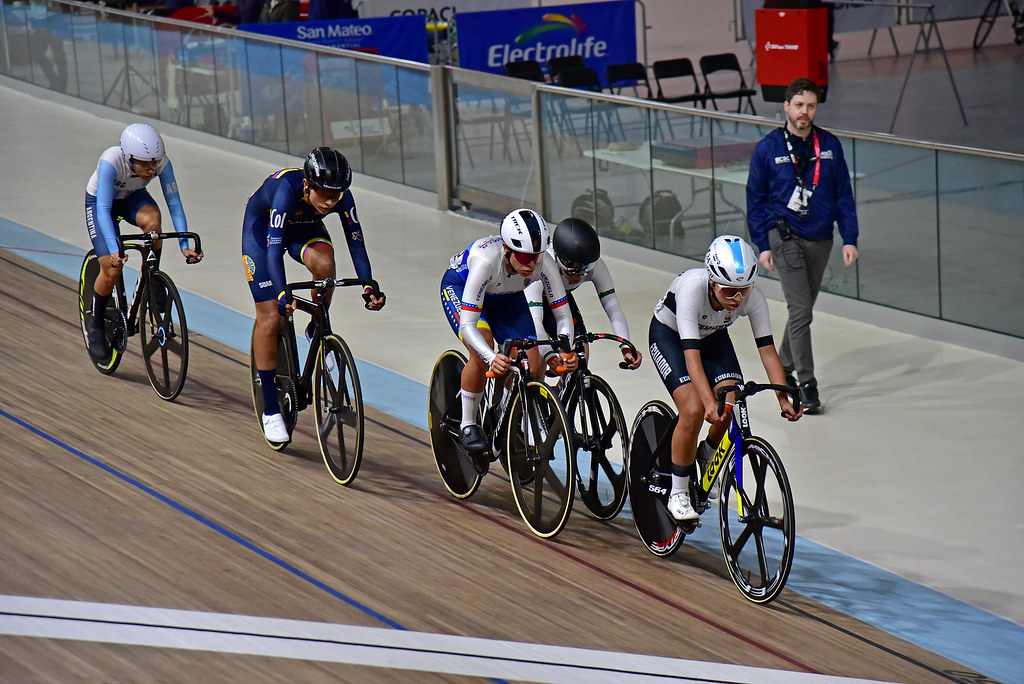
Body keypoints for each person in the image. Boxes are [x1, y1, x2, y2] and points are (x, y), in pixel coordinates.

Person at [649, 235, 801, 522]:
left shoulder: (752, 299)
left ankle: (706, 453)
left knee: (731, 401)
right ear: (711, 280)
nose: (737, 300)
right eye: (729, 292)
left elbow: (768, 351)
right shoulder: (692, 289)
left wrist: (783, 397)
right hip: (671, 337)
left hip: (713, 337)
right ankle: (678, 493)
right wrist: (707, 402)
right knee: (693, 409)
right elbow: (691, 356)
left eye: (743, 291)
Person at [243, 146, 385, 443]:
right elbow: (273, 253)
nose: (331, 202)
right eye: (325, 195)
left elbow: (356, 244)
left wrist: (369, 285)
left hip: (304, 228)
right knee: (270, 317)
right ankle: (270, 410)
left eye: (337, 196)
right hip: (263, 232)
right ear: (307, 186)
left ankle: (314, 327)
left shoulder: (340, 198)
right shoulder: (285, 190)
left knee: (326, 266)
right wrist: (282, 294)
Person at [745, 77, 859, 414]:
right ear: (786, 107)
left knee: (804, 308)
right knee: (800, 310)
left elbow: (843, 195)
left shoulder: (830, 146)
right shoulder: (768, 149)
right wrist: (763, 243)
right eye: (798, 105)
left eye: (810, 106)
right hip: (785, 238)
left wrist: (849, 237)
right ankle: (806, 384)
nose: (804, 112)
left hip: (821, 238)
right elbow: (756, 198)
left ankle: (782, 366)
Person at [440, 208, 579, 462]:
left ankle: (503, 410)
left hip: (506, 298)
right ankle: (468, 424)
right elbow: (468, 326)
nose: (532, 265)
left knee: (533, 361)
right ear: (506, 249)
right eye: (525, 258)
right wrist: (491, 356)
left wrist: (566, 350)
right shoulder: (485, 262)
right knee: (482, 351)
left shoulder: (542, 264)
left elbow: (562, 316)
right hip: (462, 289)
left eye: (536, 257)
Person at [85, 123, 203, 360]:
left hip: (132, 198)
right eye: (145, 164)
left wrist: (184, 245)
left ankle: (151, 276)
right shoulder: (110, 160)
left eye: (154, 163)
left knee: (154, 224)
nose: (151, 170)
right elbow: (104, 209)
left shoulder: (161, 163)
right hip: (100, 204)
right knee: (110, 267)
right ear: (129, 158)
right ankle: (95, 326)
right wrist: (114, 248)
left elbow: (175, 203)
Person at [524, 217, 641, 372]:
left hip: (559, 301)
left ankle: (568, 392)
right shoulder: (543, 266)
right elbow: (535, 321)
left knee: (579, 354)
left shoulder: (595, 266)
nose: (580, 276)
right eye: (572, 269)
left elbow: (612, 307)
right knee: (536, 366)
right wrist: (550, 356)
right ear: (558, 258)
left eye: (587, 269)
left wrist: (626, 346)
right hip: (530, 302)